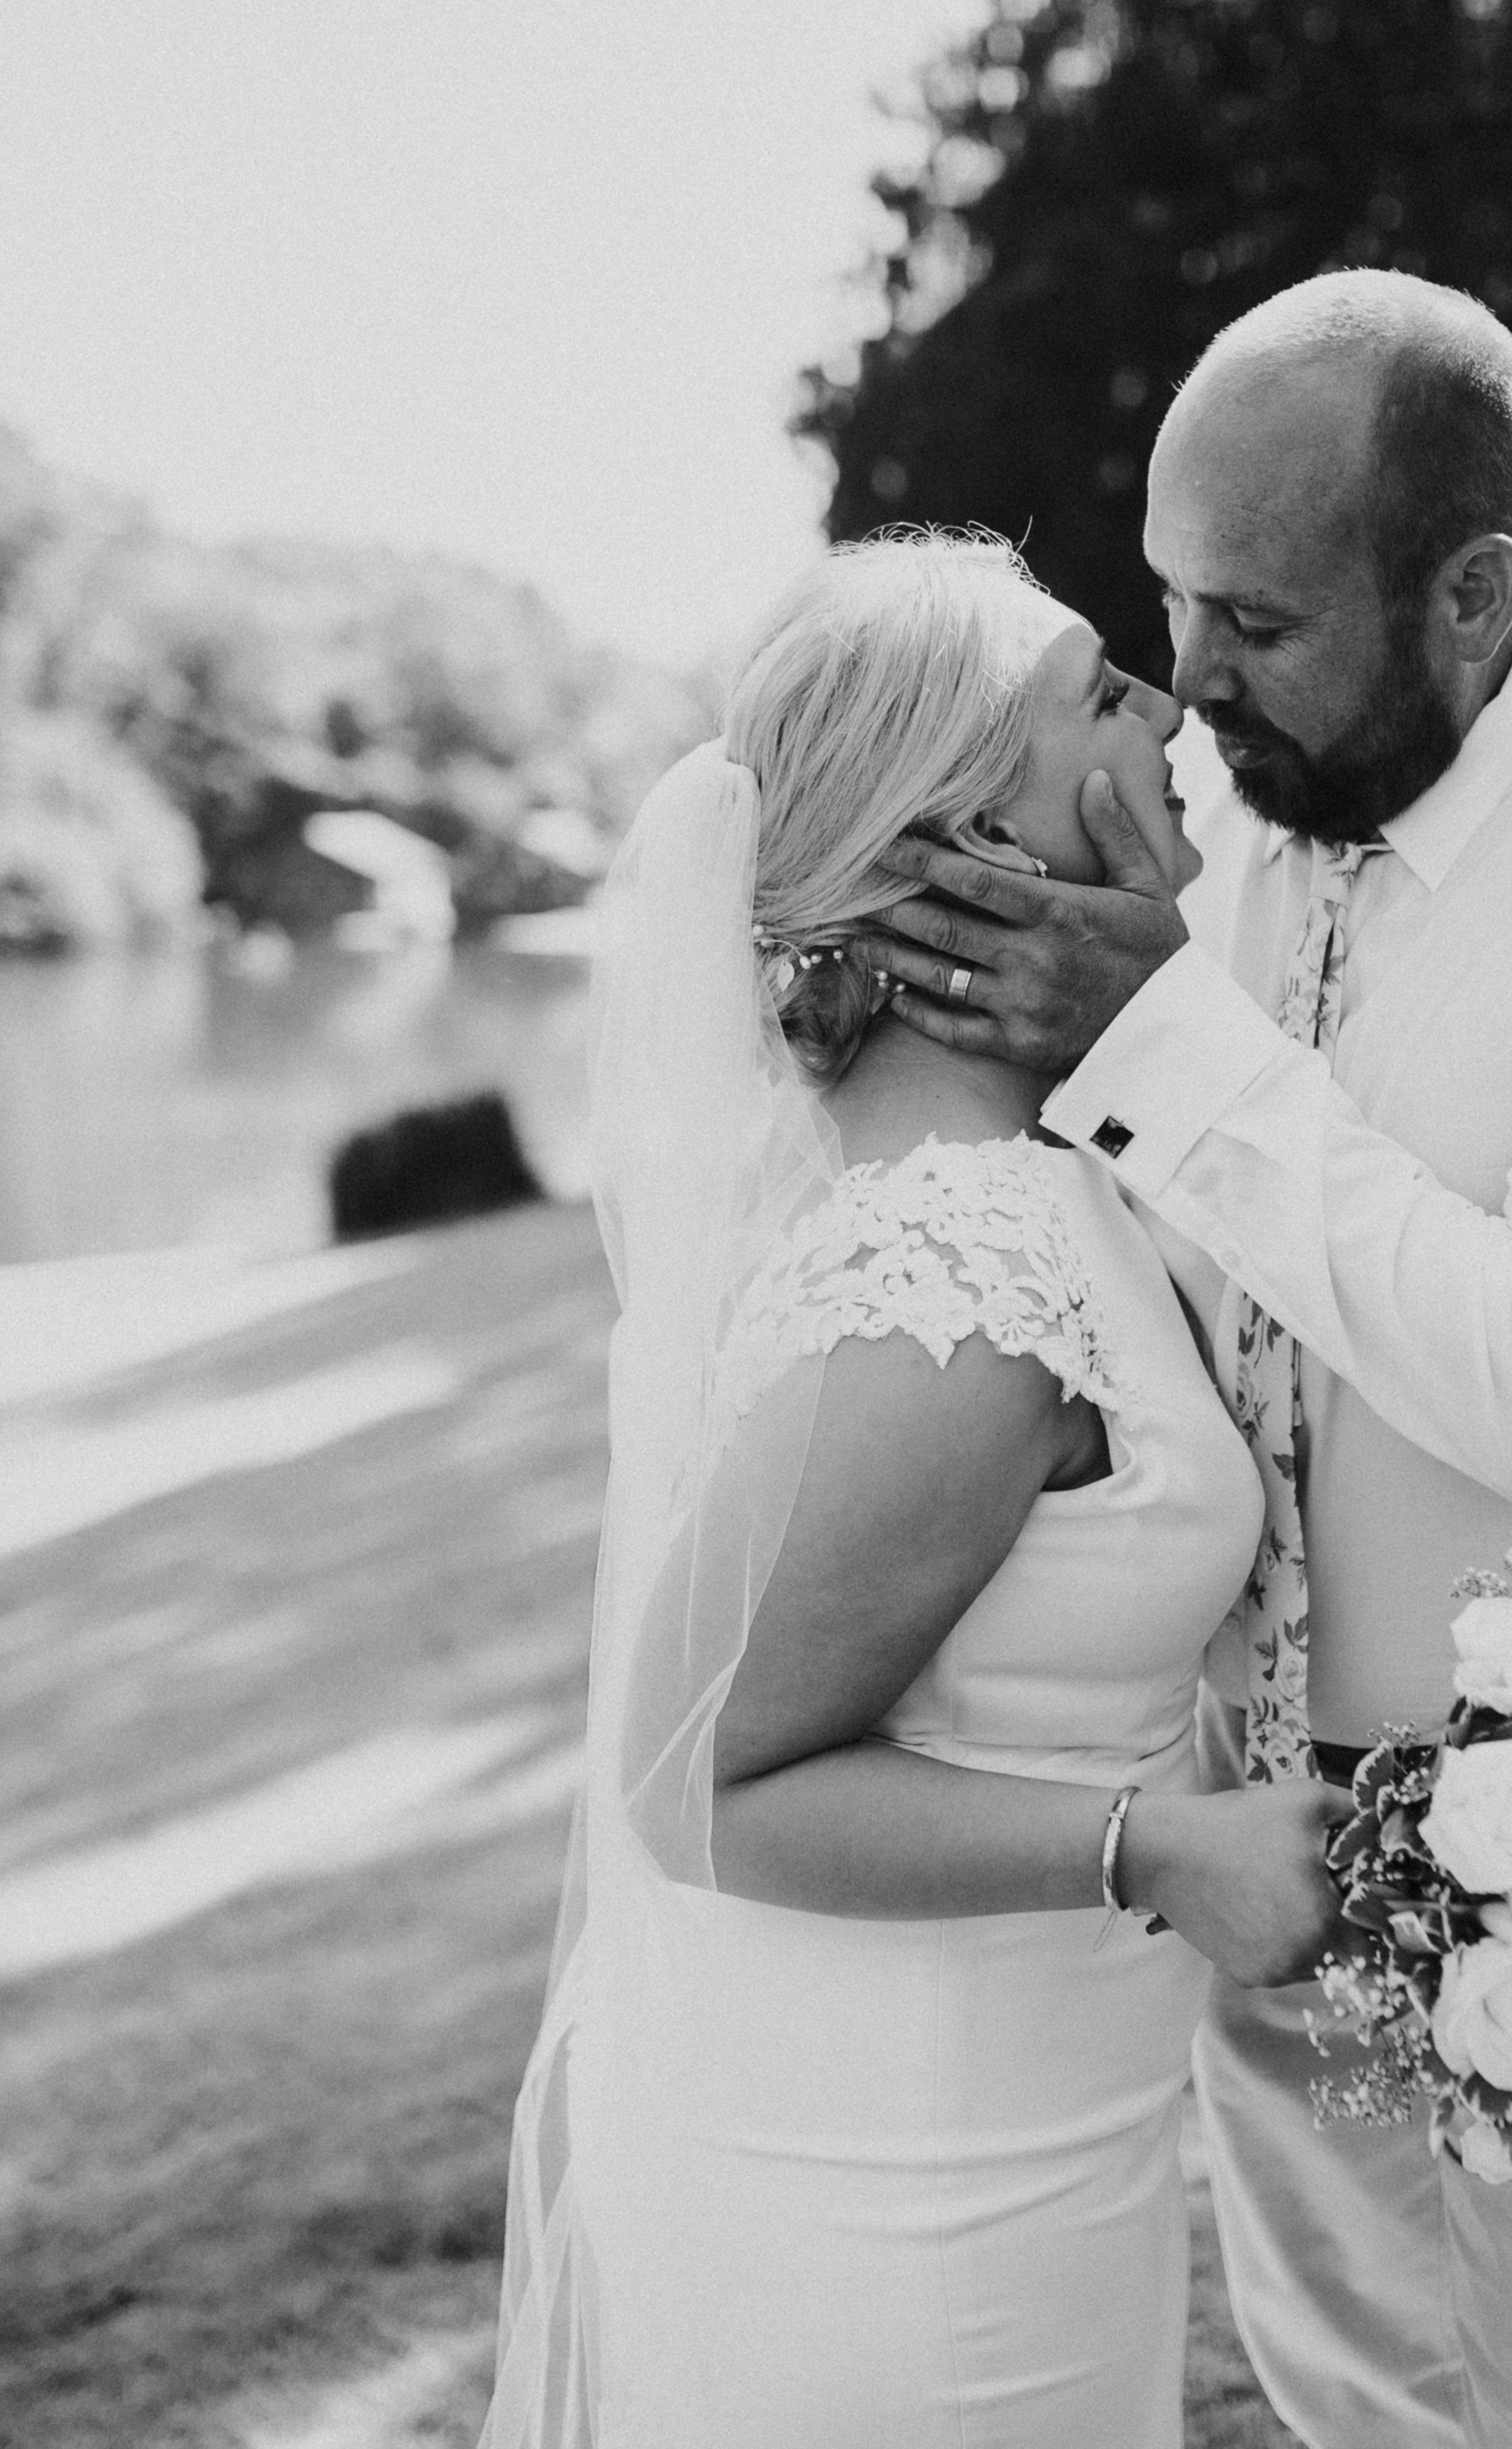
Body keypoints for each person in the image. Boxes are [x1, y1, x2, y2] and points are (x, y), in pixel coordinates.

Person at [855, 271, 1512, 2447]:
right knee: (1359, 2426)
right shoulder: (1208, 840)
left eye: (1261, 621)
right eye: (1171, 604)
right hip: (1269, 1839)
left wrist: (1156, 1046)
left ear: (1481, 591)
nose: (1192, 679)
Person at [479, 531, 1349, 2449]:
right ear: (976, 848)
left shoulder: (1060, 1186)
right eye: (1102, 693)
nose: (1173, 697)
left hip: (1035, 2148)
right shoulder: (960, 1280)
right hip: (917, 2213)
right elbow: (701, 1777)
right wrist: (1154, 1849)